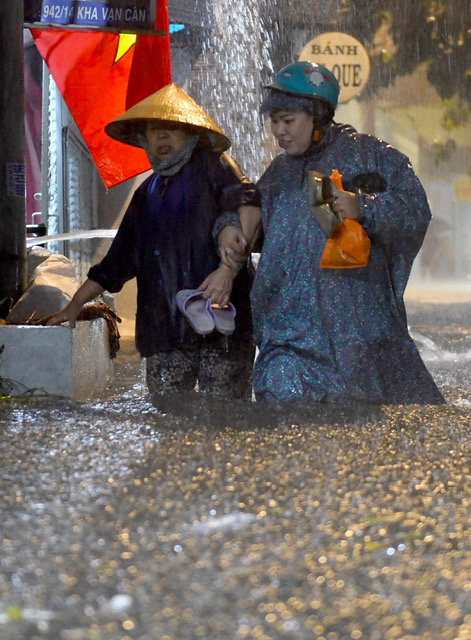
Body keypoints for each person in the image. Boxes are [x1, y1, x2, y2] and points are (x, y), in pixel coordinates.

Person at [227, 60, 444, 405]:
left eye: (288, 121)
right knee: (285, 417)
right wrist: (229, 230)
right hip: (288, 334)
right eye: (274, 122)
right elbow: (255, 224)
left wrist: (364, 207)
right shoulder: (278, 174)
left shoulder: (370, 155)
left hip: (356, 336)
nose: (279, 131)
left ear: (317, 115)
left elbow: (415, 210)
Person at [47, 83, 261, 410]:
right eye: (153, 132)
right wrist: (74, 305)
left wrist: (227, 271)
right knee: (166, 422)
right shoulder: (146, 194)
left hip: (220, 331)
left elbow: (249, 203)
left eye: (171, 130)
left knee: (227, 421)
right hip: (163, 333)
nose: (161, 139)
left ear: (190, 135)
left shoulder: (215, 166)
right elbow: (115, 264)